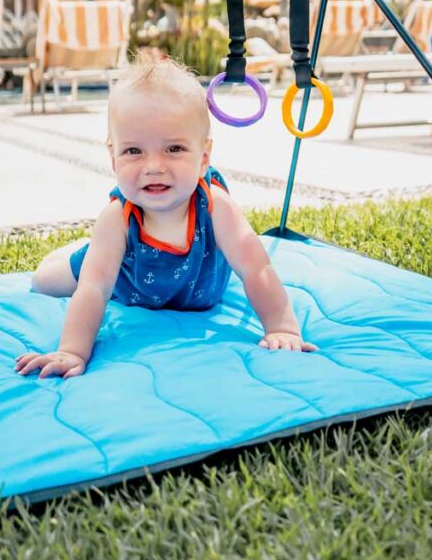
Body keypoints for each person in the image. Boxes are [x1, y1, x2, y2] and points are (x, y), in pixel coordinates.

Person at [16, 54, 316, 380]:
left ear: (203, 158)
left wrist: (282, 328)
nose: (154, 166)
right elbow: (93, 290)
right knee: (43, 281)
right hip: (124, 279)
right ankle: (81, 251)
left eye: (173, 149)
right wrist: (72, 350)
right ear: (113, 159)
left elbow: (256, 268)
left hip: (197, 290)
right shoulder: (117, 219)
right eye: (134, 151)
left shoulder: (217, 207)